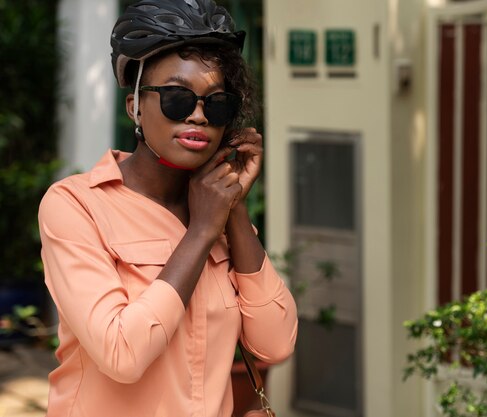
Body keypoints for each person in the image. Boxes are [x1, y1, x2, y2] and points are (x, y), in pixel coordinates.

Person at [38, 1, 298, 416]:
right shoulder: (76, 205)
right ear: (135, 107)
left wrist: (233, 208)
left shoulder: (216, 210)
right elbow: (122, 353)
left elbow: (276, 343)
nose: (197, 115)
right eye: (178, 99)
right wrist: (201, 233)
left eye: (216, 105)